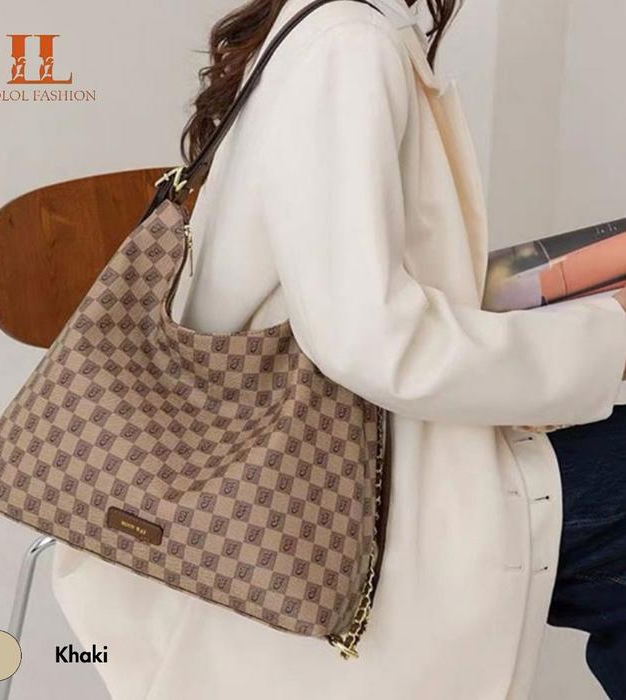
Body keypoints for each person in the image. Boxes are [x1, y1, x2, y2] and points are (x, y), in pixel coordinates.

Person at [51, 0, 626, 698]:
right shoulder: (347, 47)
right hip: (322, 495)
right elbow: (371, 342)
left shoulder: (334, 29)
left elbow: (362, 299)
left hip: (333, 450)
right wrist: (610, 336)